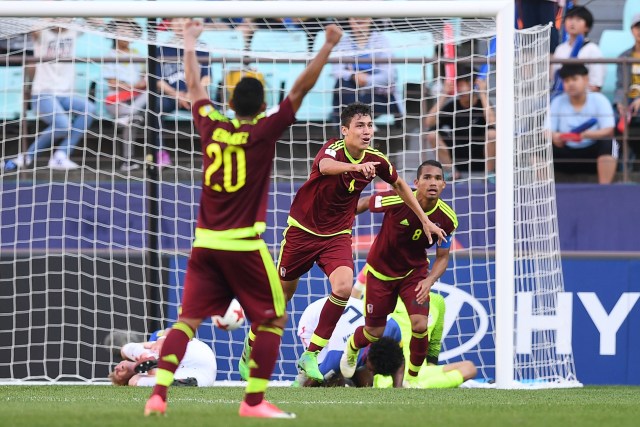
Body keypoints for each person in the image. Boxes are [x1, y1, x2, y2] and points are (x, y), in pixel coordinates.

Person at [143, 19, 343, 419]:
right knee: (272, 320)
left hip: (204, 244)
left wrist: (188, 40)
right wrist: (327, 45)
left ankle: (158, 394)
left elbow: (195, 86)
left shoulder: (211, 126)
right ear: (262, 103)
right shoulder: (265, 131)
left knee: (186, 321)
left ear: (230, 103)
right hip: (244, 245)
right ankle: (252, 402)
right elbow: (300, 90)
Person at [236, 103, 445, 384]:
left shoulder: (377, 159)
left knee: (344, 287)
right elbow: (325, 166)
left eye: (370, 125)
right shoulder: (333, 149)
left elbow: (400, 186)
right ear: (345, 131)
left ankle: (311, 354)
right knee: (280, 299)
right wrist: (356, 167)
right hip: (302, 232)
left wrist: (424, 220)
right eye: (360, 126)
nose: (367, 131)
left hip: (336, 236)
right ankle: (251, 345)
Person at [339, 159, 458, 387]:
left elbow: (442, 257)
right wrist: (337, 219)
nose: (432, 182)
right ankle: (352, 348)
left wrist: (430, 280)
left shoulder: (448, 219)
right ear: (416, 182)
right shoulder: (397, 198)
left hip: (413, 274)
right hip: (380, 273)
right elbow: (364, 203)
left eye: (438, 178)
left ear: (444, 184)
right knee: (374, 332)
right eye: (427, 177)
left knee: (420, 325)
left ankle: (411, 381)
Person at [1, 27, 96, 172]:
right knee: (63, 126)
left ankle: (61, 154)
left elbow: (95, 21)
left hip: (65, 95)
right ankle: (27, 156)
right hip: (43, 93)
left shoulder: (73, 31)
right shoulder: (42, 32)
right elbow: (34, 23)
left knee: (89, 108)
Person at [297, 293, 405, 387]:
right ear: (369, 356)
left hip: (345, 317)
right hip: (314, 321)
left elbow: (399, 360)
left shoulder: (393, 329)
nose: (374, 374)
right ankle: (305, 372)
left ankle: (348, 379)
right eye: (373, 370)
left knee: (366, 384)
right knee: (332, 383)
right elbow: (312, 382)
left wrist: (398, 387)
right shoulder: (337, 356)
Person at [151, 17, 211, 167]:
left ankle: (211, 156)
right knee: (154, 108)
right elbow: (158, 80)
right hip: (171, 96)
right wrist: (177, 95)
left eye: (183, 19)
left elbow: (207, 78)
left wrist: (193, 95)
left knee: (212, 112)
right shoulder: (161, 49)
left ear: (190, 23)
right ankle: (160, 154)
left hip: (195, 97)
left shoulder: (202, 47)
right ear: (170, 24)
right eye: (175, 20)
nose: (178, 23)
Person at [550, 64, 617, 184]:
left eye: (574, 79)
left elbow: (609, 129)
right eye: (566, 80)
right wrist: (556, 137)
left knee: (611, 144)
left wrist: (589, 135)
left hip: (591, 155)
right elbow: (548, 130)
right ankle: (544, 192)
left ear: (586, 79)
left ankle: (604, 189)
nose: (570, 84)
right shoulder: (557, 102)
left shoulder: (599, 99)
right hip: (565, 153)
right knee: (541, 146)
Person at [424, 67, 496, 180]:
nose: (463, 89)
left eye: (466, 84)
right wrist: (444, 95)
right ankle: (450, 173)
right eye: (460, 85)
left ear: (473, 85)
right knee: (432, 135)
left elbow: (492, 122)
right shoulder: (453, 106)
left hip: (481, 155)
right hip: (457, 155)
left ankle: (490, 174)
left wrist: (482, 94)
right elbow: (429, 122)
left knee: (492, 134)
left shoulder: (483, 104)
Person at [330, 17, 401, 124]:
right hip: (352, 93)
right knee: (341, 85)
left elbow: (389, 76)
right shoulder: (342, 42)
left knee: (356, 103)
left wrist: (366, 80)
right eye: (355, 15)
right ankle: (363, 126)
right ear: (349, 19)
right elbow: (336, 71)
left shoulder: (382, 41)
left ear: (371, 18)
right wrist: (354, 76)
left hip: (377, 95)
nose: (359, 18)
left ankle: (360, 126)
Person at [103, 19, 147, 172]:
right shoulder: (110, 54)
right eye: (122, 31)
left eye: (129, 31)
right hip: (116, 101)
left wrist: (143, 81)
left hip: (135, 100)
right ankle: (127, 161)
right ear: (114, 34)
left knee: (149, 94)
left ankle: (127, 162)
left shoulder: (138, 55)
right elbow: (112, 83)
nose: (126, 34)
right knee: (134, 119)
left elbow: (145, 76)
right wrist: (133, 86)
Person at [109, 332, 216, 387]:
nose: (117, 369)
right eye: (118, 376)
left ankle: (149, 358)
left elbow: (174, 330)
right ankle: (166, 377)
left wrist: (161, 340)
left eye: (115, 369)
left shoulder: (149, 345)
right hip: (201, 377)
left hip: (195, 352)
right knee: (136, 382)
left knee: (126, 349)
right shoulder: (136, 379)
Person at [551, 6, 605, 93]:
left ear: (587, 27)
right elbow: (555, 79)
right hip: (561, 97)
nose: (572, 22)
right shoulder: (560, 49)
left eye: (578, 19)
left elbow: (596, 85)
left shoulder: (593, 50)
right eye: (570, 18)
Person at [613, 13, 640, 163]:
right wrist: (620, 103)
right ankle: (622, 163)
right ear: (632, 30)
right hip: (629, 101)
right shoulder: (624, 56)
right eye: (638, 27)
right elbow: (621, 85)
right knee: (614, 118)